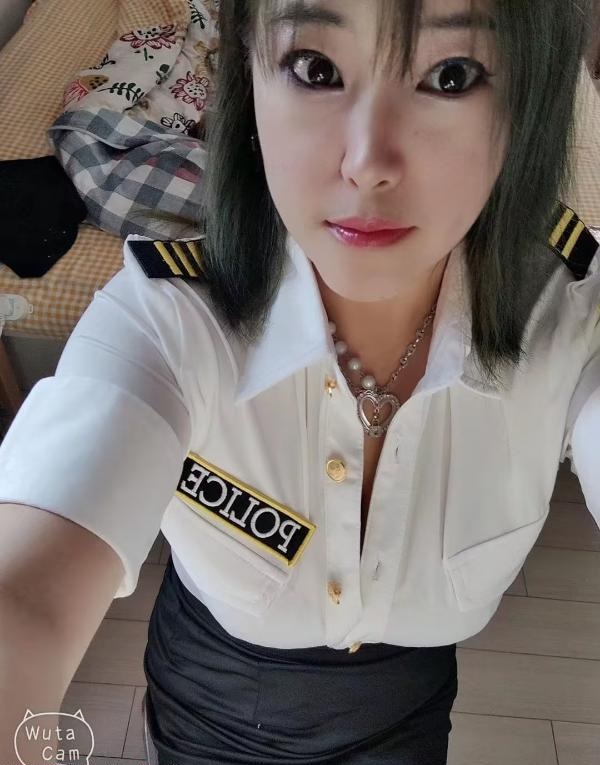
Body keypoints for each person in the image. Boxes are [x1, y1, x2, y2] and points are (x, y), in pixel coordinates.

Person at [0, 1, 598, 763]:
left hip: (406, 708)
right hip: (209, 696)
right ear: (248, 82)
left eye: (451, 76)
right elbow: (25, 597)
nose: (368, 162)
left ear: (529, 102)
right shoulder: (166, 319)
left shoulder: (574, 314)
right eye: (316, 69)